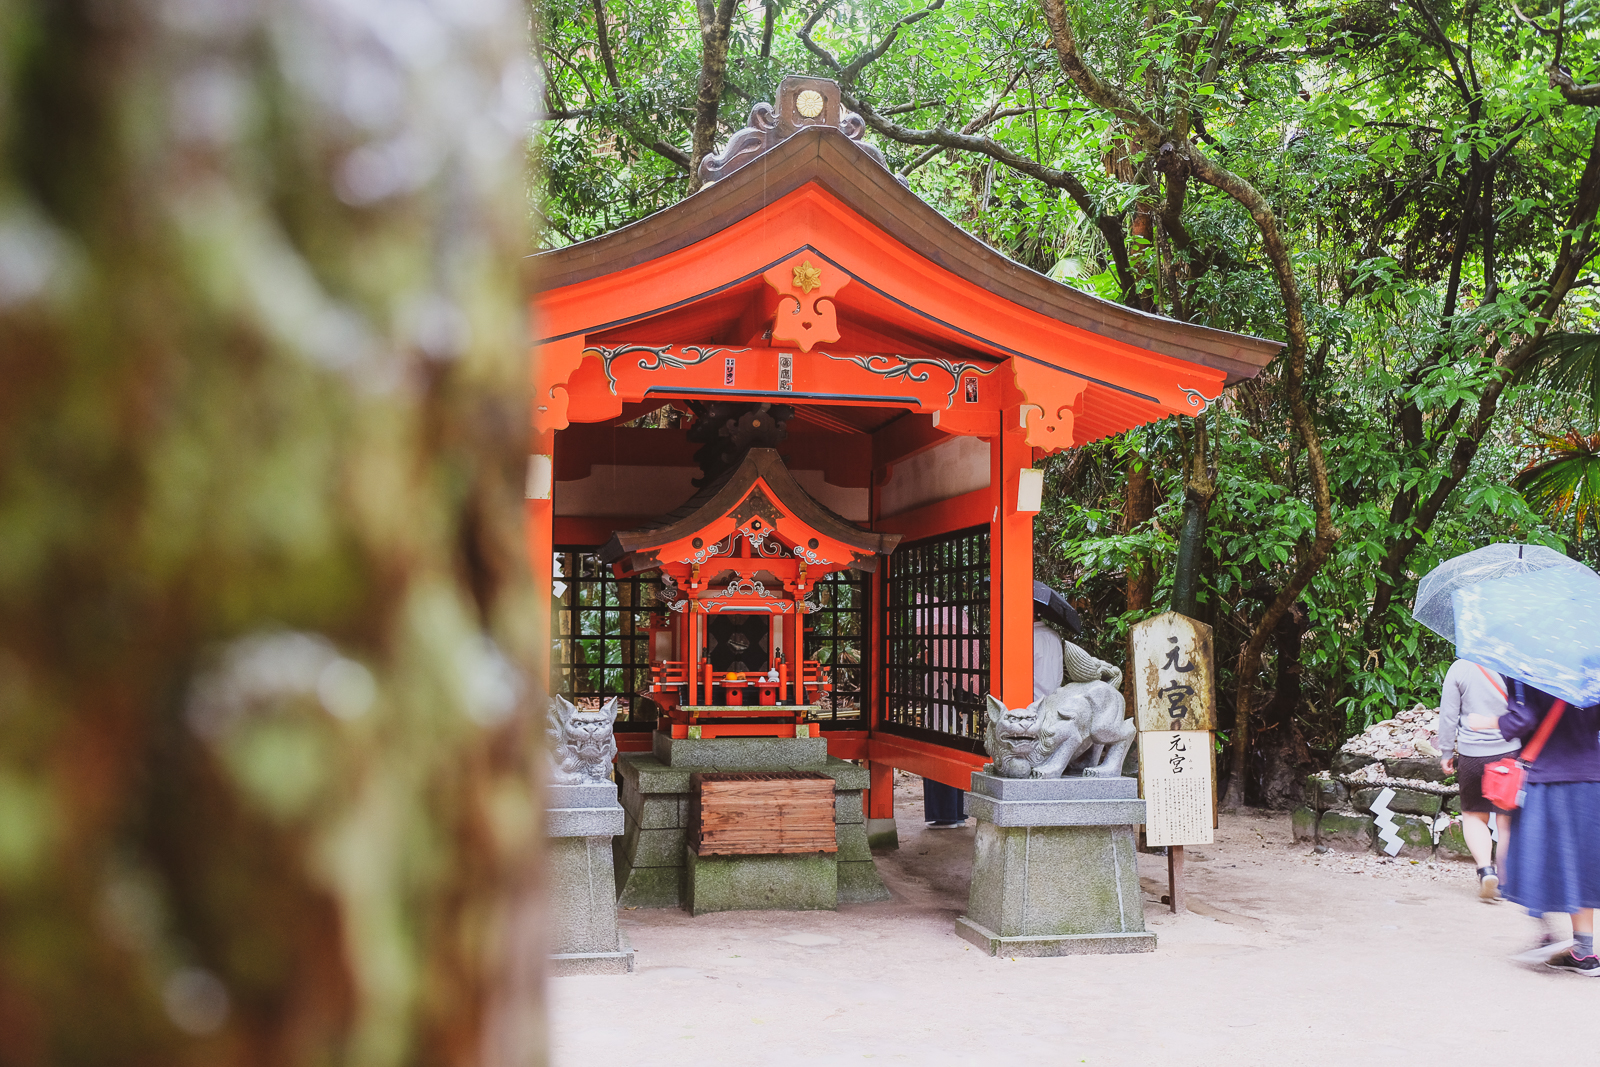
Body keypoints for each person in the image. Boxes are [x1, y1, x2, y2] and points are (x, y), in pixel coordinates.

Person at [1474, 679, 1600, 975]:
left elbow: (1524, 719)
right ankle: (1584, 952)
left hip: (1548, 779)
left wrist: (1484, 721)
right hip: (1590, 778)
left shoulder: (1530, 668)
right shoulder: (1590, 670)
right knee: (1579, 864)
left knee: (1532, 857)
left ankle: (1546, 933)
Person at [1437, 659, 1519, 900]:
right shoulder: (1512, 663)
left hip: (1472, 754)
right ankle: (1505, 883)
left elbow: (1449, 715)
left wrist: (1445, 752)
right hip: (1509, 752)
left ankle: (1485, 870)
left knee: (1473, 815)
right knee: (1506, 822)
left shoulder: (1460, 668)